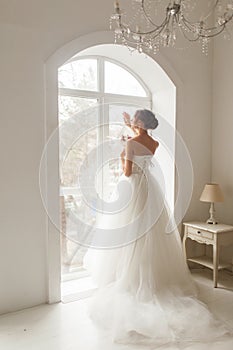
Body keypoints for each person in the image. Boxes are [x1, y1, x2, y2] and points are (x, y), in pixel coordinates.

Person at [83, 109, 232, 347]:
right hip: (150, 191)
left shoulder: (131, 142)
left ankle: (128, 279)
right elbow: (141, 143)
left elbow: (127, 171)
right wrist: (129, 133)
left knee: (129, 235)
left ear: (140, 122)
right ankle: (155, 278)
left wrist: (123, 153)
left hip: (132, 189)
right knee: (149, 234)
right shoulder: (154, 141)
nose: (132, 121)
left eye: (134, 119)